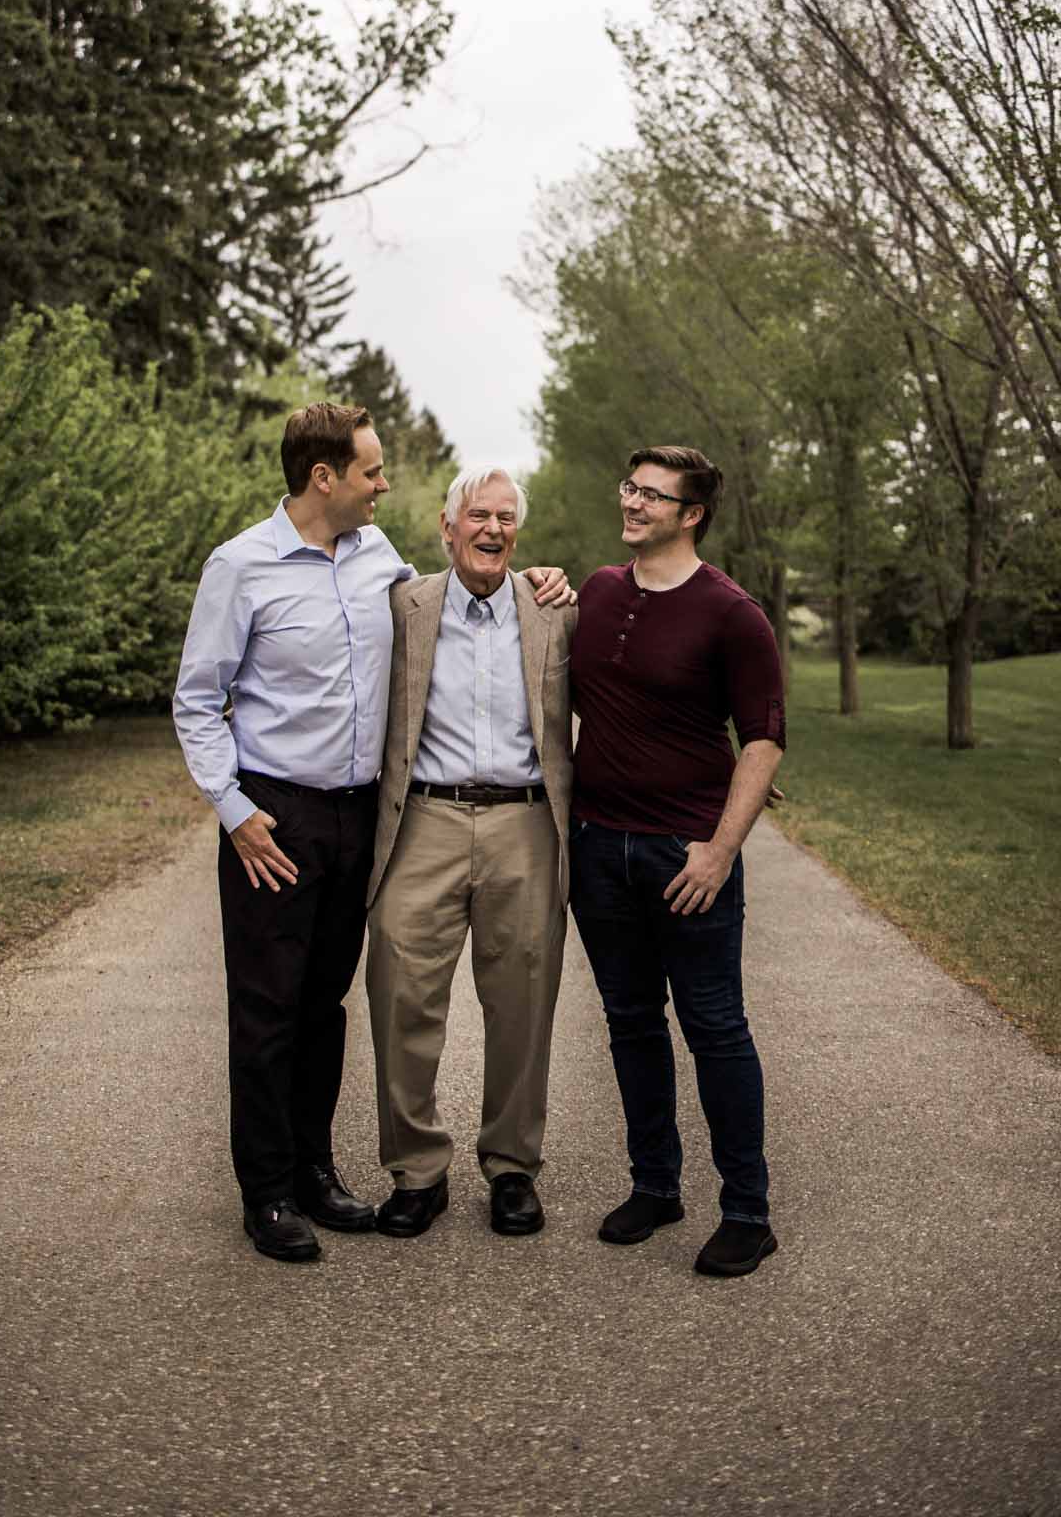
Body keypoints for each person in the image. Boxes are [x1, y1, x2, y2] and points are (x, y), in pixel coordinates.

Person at [172, 404, 569, 1263]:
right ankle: (268, 1192)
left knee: (325, 1006)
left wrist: (550, 583)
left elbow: (460, 612)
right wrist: (235, 813)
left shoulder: (379, 562)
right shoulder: (240, 566)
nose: (383, 482)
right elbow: (197, 700)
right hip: (273, 814)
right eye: (372, 470)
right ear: (326, 477)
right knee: (268, 1007)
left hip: (361, 815)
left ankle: (314, 1170)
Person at [568, 445, 785, 1277]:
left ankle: (747, 1211)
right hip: (598, 848)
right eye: (628, 487)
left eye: (652, 496)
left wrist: (719, 851)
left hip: (684, 854)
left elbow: (763, 739)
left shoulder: (732, 614)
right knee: (629, 1024)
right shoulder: (598, 590)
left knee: (715, 1030)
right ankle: (655, 1186)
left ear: (690, 514)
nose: (632, 504)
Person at [365, 467, 575, 1240]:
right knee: (398, 986)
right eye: (477, 516)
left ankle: (512, 1167)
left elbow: (630, 696)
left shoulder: (556, 610)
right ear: (447, 528)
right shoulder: (401, 607)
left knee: (523, 997)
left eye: (505, 518)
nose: (492, 529)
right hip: (424, 817)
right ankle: (416, 1172)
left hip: (526, 822)